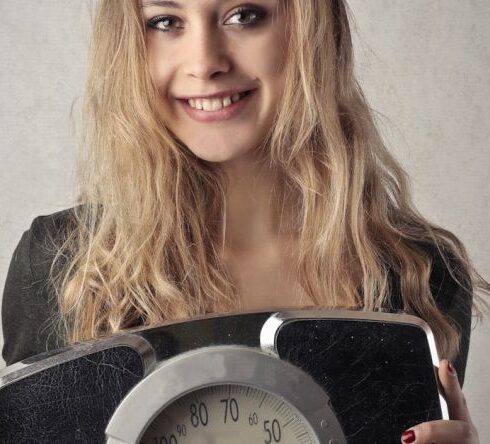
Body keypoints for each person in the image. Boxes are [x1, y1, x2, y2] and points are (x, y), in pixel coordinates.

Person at [2, 0, 488, 442]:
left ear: (314, 32)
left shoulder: (418, 273)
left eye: (245, 15)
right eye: (165, 22)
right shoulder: (60, 265)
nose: (205, 62)